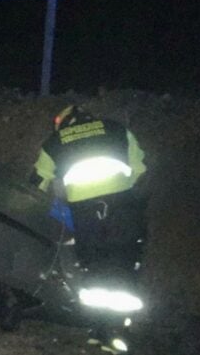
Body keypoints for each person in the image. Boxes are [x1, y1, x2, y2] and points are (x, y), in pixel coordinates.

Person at [31, 105, 147, 278]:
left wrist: (28, 208)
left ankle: (92, 281)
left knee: (91, 259)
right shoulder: (116, 129)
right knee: (127, 252)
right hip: (121, 202)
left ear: (62, 124)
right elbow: (139, 169)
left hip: (84, 208)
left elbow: (38, 182)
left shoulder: (54, 142)